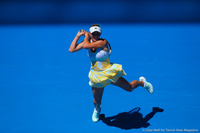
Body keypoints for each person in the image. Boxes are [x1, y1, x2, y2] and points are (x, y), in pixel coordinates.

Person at [69, 24, 154, 122]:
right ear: (91, 33)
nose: (96, 36)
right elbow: (71, 49)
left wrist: (86, 35)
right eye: (94, 34)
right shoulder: (88, 41)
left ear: (100, 34)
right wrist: (78, 36)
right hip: (96, 75)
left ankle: (143, 83)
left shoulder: (103, 42)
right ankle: (97, 109)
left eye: (98, 34)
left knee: (129, 88)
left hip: (109, 73)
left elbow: (85, 45)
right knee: (97, 100)